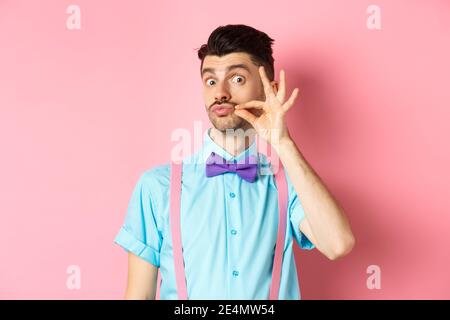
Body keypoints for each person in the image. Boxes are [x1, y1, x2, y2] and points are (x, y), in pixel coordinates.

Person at [114, 24, 355, 300]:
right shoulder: (157, 187)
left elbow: (338, 244)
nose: (221, 93)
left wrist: (282, 143)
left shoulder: (289, 184)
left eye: (237, 79)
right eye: (211, 81)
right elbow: (139, 296)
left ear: (269, 90)